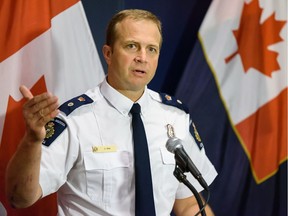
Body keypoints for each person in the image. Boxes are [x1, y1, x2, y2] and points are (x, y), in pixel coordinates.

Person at [5, 9, 217, 216]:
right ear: (108, 53)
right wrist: (32, 141)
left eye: (151, 49)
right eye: (132, 46)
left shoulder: (175, 117)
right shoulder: (74, 120)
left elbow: (189, 204)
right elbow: (20, 197)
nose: (142, 57)